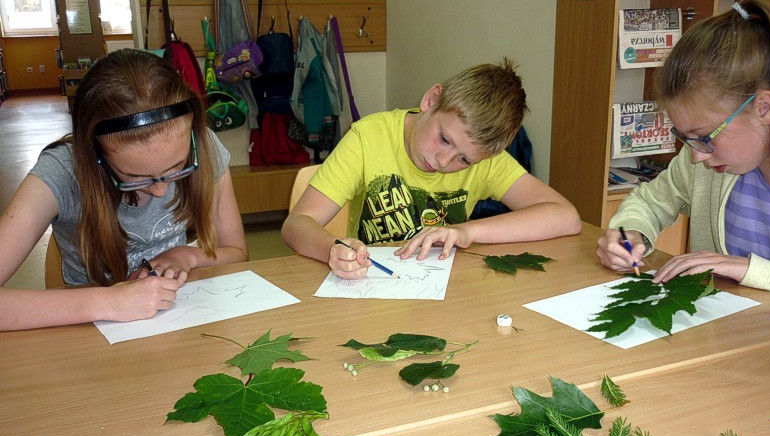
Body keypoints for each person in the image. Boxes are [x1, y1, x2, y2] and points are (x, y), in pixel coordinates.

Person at [0, 49, 248, 331]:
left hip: (173, 317)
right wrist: (109, 301)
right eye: (134, 177)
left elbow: (237, 252)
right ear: (95, 155)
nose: (160, 190)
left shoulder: (203, 146)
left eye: (177, 167)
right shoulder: (61, 172)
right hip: (89, 328)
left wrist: (186, 255)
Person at [282, 59, 581, 278]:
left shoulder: (486, 160)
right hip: (371, 288)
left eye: (464, 160)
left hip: (443, 291)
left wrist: (467, 231)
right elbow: (296, 225)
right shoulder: (368, 138)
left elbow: (565, 217)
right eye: (444, 139)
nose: (443, 161)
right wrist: (331, 249)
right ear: (432, 99)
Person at [597, 0, 770, 302]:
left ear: (764, 109)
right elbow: (649, 202)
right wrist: (630, 234)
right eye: (686, 138)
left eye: (705, 136)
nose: (696, 155)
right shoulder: (708, 161)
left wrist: (746, 270)